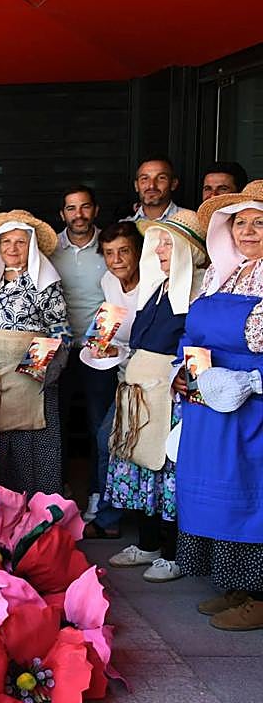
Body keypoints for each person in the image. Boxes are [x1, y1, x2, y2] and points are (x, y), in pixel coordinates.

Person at [175, 180, 263, 629]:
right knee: (216, 496)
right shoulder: (224, 273)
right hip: (208, 401)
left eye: (259, 223)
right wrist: (187, 369)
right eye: (240, 223)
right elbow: (196, 332)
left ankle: (261, 597)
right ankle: (237, 585)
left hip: (251, 407)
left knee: (251, 496)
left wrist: (247, 380)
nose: (247, 232)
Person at [102, 211, 206, 581]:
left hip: (170, 397)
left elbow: (197, 344)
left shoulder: (198, 289)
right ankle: (148, 545)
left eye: (167, 242)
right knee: (144, 469)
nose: (159, 249)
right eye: (156, 241)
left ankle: (175, 554)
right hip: (141, 393)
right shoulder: (159, 286)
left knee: (169, 474)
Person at [0, 211, 69, 495]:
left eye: (20, 242)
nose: (12, 248)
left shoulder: (45, 283)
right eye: (6, 241)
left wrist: (45, 369)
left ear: (31, 246)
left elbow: (61, 330)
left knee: (26, 445)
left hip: (28, 381)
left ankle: (29, 518)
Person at [51, 186, 114, 510]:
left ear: (95, 210)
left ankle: (96, 496)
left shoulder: (109, 247)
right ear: (63, 214)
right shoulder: (50, 249)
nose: (79, 214)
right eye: (71, 208)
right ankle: (57, 493)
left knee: (97, 426)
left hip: (98, 350)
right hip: (59, 350)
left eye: (85, 207)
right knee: (55, 423)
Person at [81, 222, 143, 535]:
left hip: (154, 379)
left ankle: (116, 521)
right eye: (108, 253)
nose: (116, 259)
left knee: (117, 440)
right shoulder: (109, 281)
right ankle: (110, 520)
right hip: (124, 378)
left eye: (123, 251)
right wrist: (102, 345)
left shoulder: (154, 284)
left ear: (138, 252)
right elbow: (109, 329)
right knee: (110, 440)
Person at [127, 156, 180, 222]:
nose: (152, 186)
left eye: (161, 178)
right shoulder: (123, 227)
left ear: (173, 184)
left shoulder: (191, 224)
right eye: (145, 178)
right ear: (136, 186)